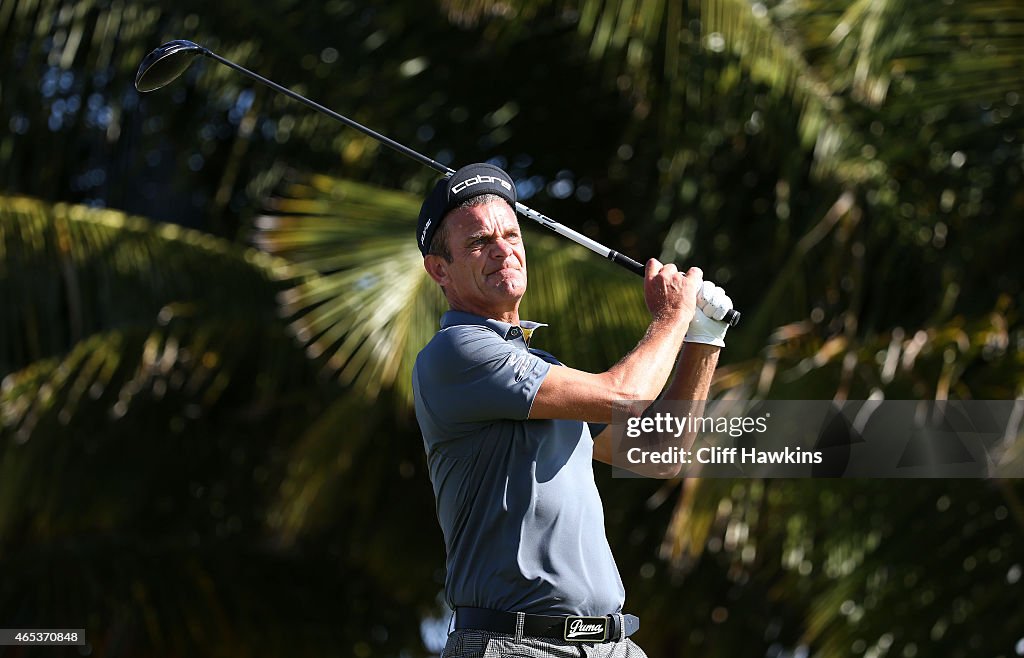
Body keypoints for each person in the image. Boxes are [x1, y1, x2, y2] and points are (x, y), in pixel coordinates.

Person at [412, 163, 733, 658]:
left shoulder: (539, 367)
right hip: (513, 646)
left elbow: (658, 452)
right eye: (479, 242)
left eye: (511, 234)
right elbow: (624, 393)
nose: (503, 249)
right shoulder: (455, 354)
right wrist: (673, 315)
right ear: (440, 270)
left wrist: (703, 339)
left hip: (613, 646)